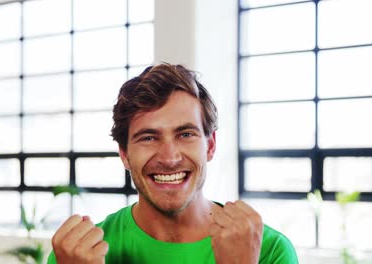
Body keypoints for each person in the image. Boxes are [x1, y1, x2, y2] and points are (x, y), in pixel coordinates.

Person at [47, 63, 299, 264]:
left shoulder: (267, 250)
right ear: (124, 154)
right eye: (148, 137)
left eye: (185, 134)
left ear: (210, 146)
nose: (169, 158)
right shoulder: (76, 255)